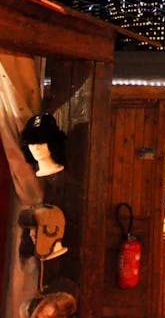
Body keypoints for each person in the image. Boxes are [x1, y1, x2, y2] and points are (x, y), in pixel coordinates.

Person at [19, 113, 79, 282]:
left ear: (53, 143)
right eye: (32, 143)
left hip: (59, 257)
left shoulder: (67, 184)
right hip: (37, 257)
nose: (36, 147)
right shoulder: (26, 179)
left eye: (41, 142)